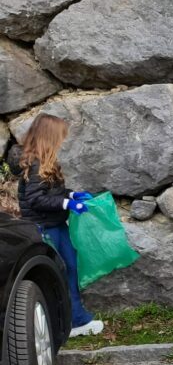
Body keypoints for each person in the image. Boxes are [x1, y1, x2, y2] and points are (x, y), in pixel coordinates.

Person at [17, 114, 104, 337]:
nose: (62, 141)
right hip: (44, 229)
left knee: (71, 268)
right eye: (60, 137)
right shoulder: (34, 166)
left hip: (56, 225)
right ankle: (70, 323)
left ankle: (74, 320)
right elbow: (36, 199)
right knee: (58, 273)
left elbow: (53, 193)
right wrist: (68, 204)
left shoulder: (48, 163)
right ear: (49, 137)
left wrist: (72, 195)